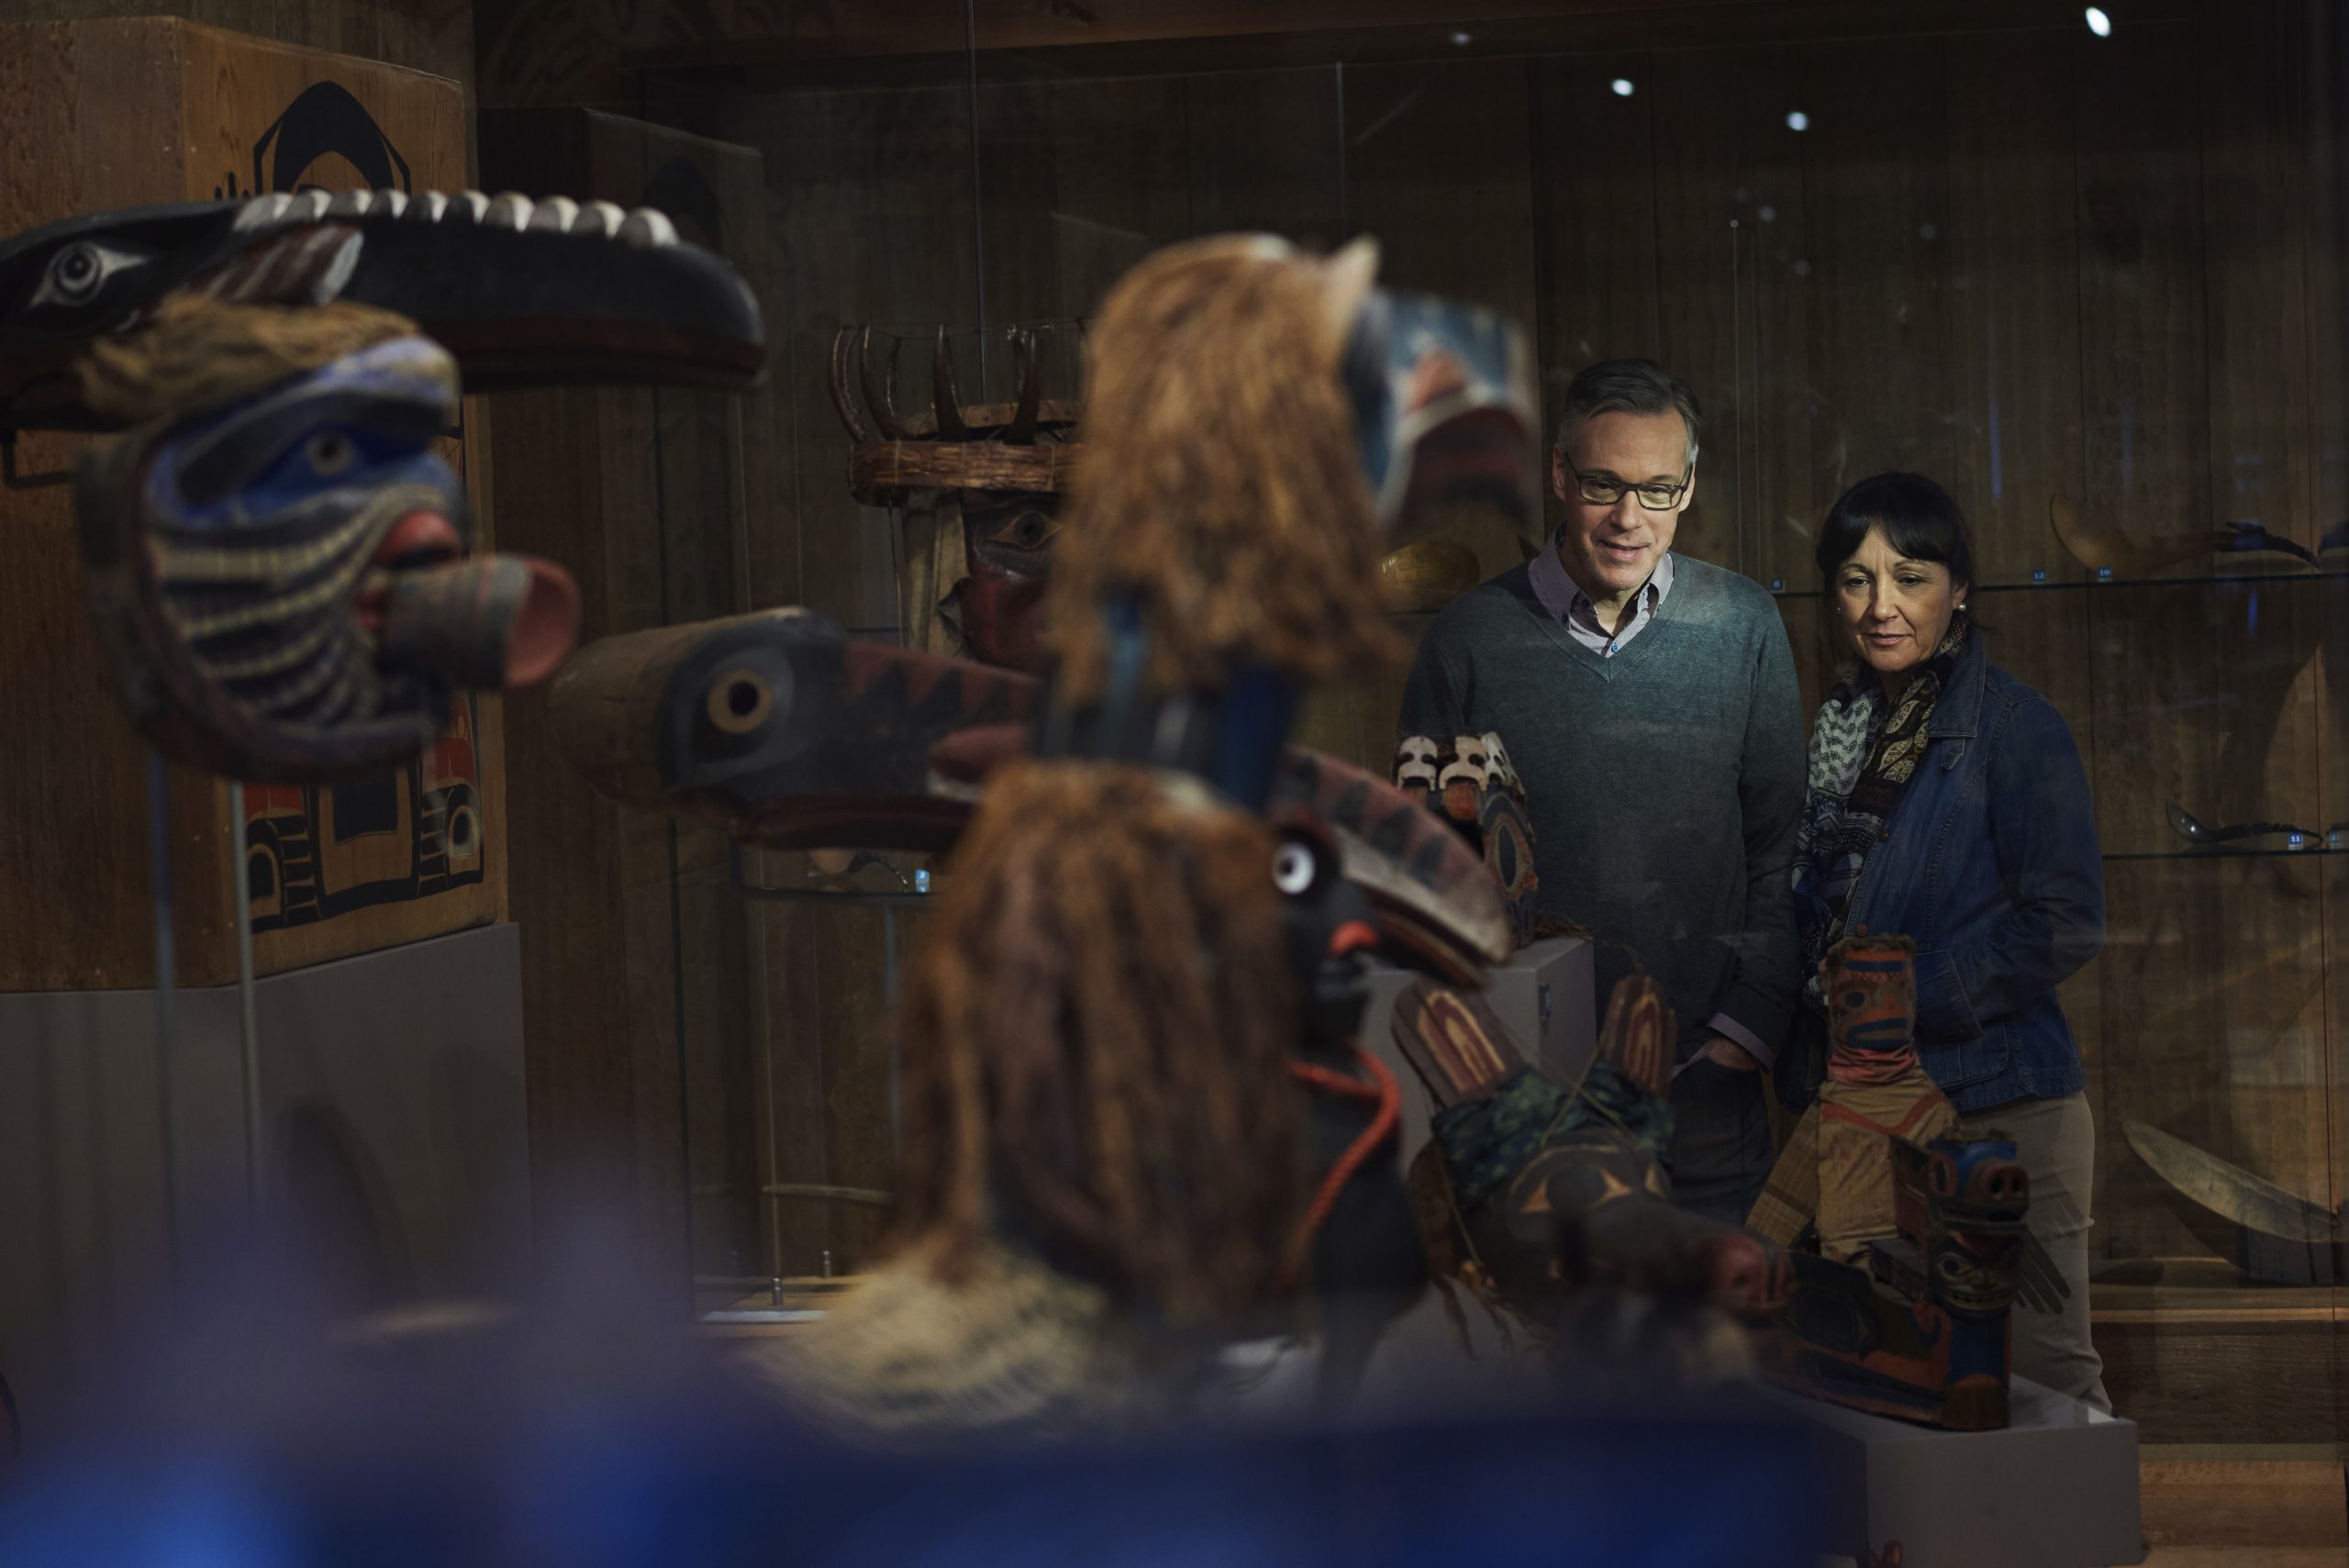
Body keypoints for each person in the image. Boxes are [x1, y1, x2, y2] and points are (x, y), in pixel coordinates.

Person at [1396, 359, 1805, 1226]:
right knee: (1544, 1357)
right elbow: (1424, 873)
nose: (1630, 518)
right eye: (1603, 485)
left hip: (1705, 1092)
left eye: (1659, 489)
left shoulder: (1743, 625)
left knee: (1718, 1352)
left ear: (1689, 485)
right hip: (1528, 1100)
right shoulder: (1466, 638)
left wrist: (1744, 1036)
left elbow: (1782, 847)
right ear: (1557, 474)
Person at [1791, 471, 2109, 1409]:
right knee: (1900, 1371)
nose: (1879, 605)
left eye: (1910, 575)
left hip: (2001, 1103)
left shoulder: (2013, 726)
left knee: (2045, 1375)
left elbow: (2068, 917)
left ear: (1960, 586)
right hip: (1867, 1112)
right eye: (1854, 578)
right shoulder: (1842, 728)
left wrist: (1902, 1000)